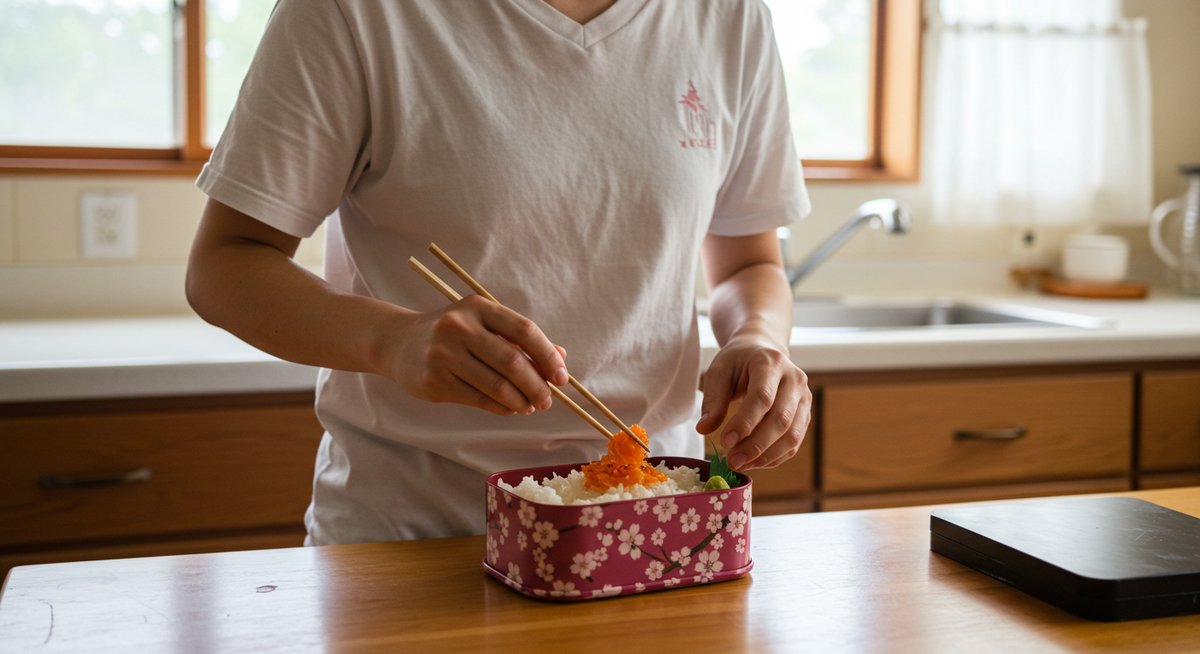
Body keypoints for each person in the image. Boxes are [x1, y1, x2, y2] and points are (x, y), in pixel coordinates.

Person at [186, 0, 812, 545]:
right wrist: (392, 339)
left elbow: (749, 263)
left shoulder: (730, 17)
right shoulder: (354, 12)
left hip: (650, 520)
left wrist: (757, 337)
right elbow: (225, 263)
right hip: (416, 529)